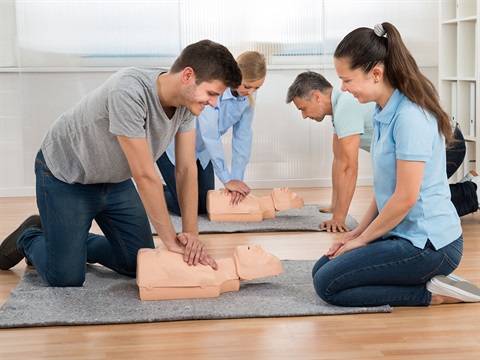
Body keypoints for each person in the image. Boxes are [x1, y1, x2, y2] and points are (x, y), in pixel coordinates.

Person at [0, 40, 243, 287]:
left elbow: (186, 168)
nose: (214, 103)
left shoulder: (187, 105)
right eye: (211, 93)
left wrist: (191, 233)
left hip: (114, 180)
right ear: (188, 76)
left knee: (137, 263)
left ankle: (69, 243)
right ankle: (29, 236)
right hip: (67, 176)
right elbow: (145, 174)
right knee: (66, 277)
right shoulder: (128, 91)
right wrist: (169, 239)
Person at [312, 23, 480, 307]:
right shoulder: (382, 112)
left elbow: (404, 198)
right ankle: (418, 279)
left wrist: (363, 242)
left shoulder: (410, 117)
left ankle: (432, 294)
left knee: (327, 286)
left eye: (347, 79)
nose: (342, 88)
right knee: (322, 268)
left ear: (376, 74)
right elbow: (385, 189)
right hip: (402, 234)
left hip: (431, 246)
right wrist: (357, 233)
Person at [157, 51, 267, 216]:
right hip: (173, 147)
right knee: (186, 208)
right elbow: (211, 134)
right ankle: (153, 192)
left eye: (257, 87)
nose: (251, 92)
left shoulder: (248, 96)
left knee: (204, 205)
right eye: (247, 86)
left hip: (203, 152)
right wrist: (226, 179)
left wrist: (236, 179)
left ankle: (172, 189)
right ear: (236, 77)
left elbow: (243, 136)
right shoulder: (214, 90)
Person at [286, 71, 375, 232]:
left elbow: (350, 167)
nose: (304, 116)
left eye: (304, 109)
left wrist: (339, 219)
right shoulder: (338, 106)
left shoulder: (346, 105)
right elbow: (338, 159)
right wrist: (335, 206)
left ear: (316, 97)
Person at [137, 244, 283, 300]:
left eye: (264, 256)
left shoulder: (211, 278)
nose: (257, 247)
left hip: (148, 263)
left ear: (249, 275)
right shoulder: (211, 270)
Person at [206, 187, 304, 222]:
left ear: (283, 205)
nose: (286, 188)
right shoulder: (255, 202)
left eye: (290, 194)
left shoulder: (256, 209)